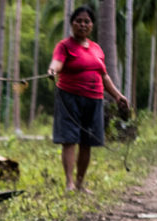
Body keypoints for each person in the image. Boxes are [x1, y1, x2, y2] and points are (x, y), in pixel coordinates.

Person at [47, 6, 130, 193]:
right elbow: (57, 63)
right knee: (69, 140)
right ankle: (69, 183)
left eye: (87, 21)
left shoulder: (97, 48)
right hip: (69, 99)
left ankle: (80, 184)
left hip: (94, 100)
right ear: (72, 23)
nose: (82, 24)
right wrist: (52, 71)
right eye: (79, 21)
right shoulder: (64, 46)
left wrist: (118, 96)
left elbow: (104, 76)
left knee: (87, 142)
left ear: (92, 25)